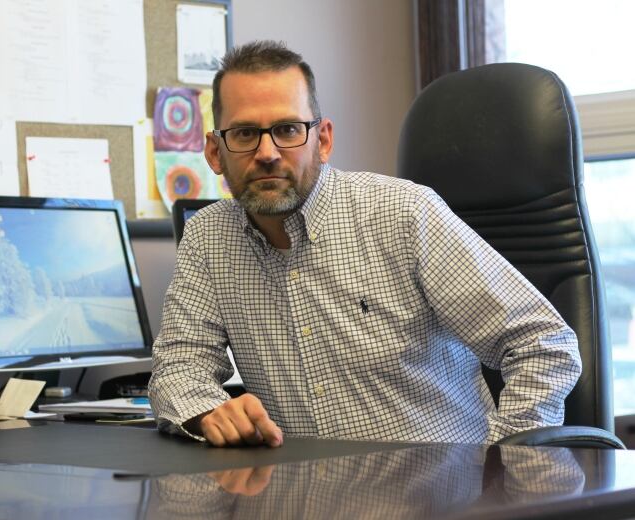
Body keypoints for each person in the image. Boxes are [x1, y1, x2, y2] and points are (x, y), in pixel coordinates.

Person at [148, 40, 581, 448]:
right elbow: (180, 366)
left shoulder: (402, 213)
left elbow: (542, 344)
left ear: (323, 140)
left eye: (287, 129)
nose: (267, 152)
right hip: (305, 498)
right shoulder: (208, 238)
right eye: (244, 134)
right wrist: (208, 412)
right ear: (214, 152)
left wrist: (504, 466)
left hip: (445, 497)